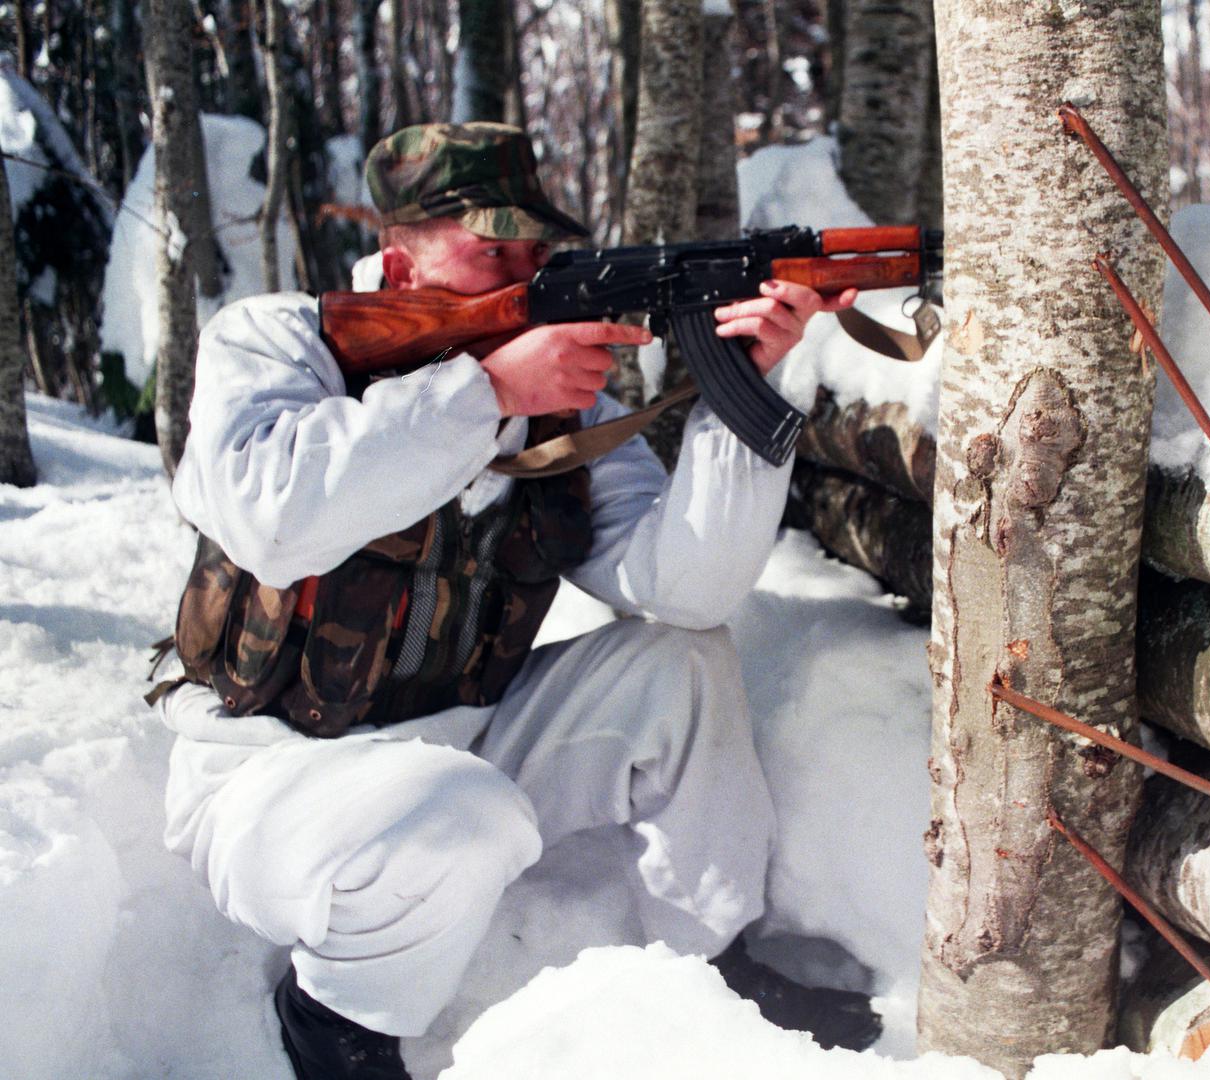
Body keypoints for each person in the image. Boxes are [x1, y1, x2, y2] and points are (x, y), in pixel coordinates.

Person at [151, 122, 877, 1079]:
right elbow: (269, 521)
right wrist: (484, 391)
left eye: (535, 251)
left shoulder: (557, 402)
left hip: (469, 738)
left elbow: (683, 587)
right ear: (399, 259)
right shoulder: (279, 343)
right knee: (462, 813)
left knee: (684, 665)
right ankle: (338, 1024)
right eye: (490, 251)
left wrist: (739, 396)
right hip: (272, 776)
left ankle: (711, 967)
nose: (524, 274)